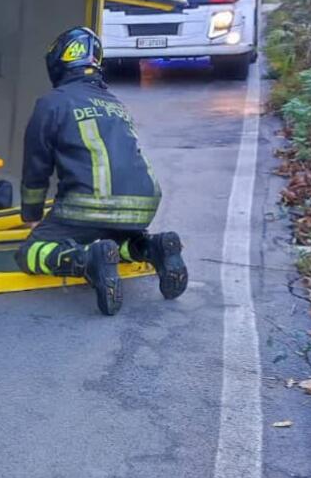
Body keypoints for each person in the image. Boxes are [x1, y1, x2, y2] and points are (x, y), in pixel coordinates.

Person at [15, 25, 187, 316]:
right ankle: (153, 247)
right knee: (113, 241)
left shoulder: (52, 103)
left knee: (28, 254)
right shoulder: (114, 103)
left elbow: (37, 166)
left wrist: (31, 215)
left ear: (59, 60)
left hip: (90, 206)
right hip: (142, 207)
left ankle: (85, 261)